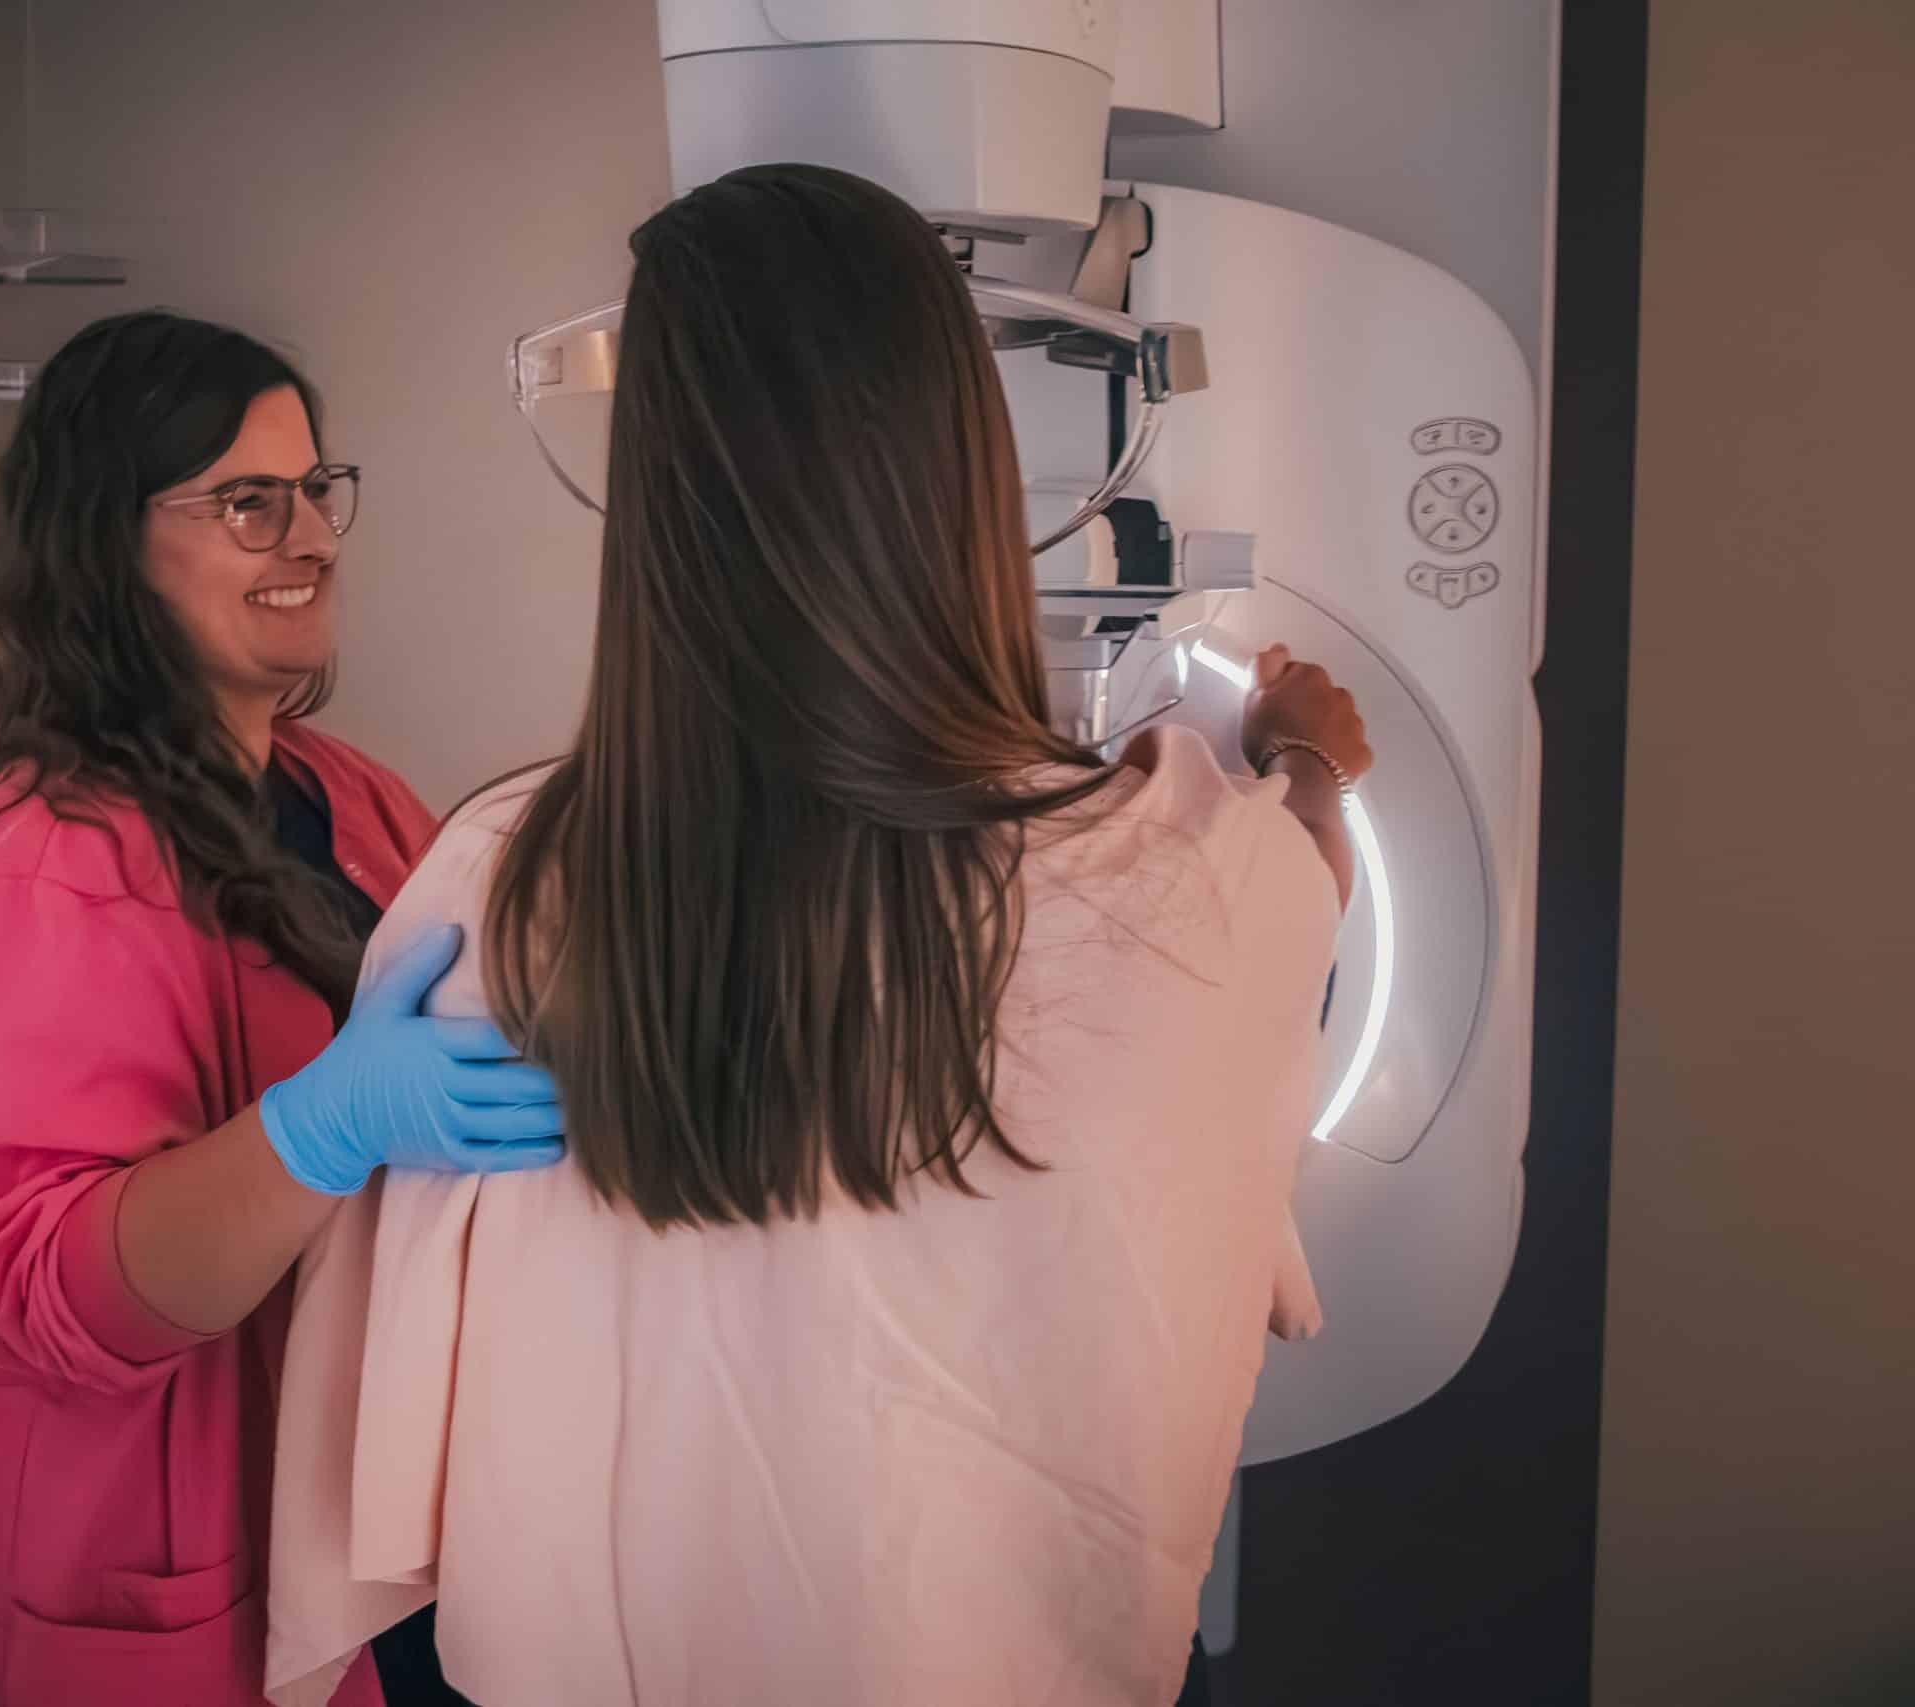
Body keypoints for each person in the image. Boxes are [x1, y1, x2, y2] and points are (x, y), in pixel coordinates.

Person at [264, 166, 1371, 1707]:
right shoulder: (1184, 870)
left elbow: (390, 1448)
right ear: (961, 463)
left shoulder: (502, 880)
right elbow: (1295, 909)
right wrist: (1308, 756)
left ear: (656, 493)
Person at [0, 311, 559, 1707]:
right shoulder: (30, 881)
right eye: (251, 503)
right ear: (106, 544)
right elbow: (53, 1295)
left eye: (317, 491)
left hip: (355, 1519)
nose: (311, 537)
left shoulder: (339, 794)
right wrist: (320, 1129)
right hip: (147, 1579)